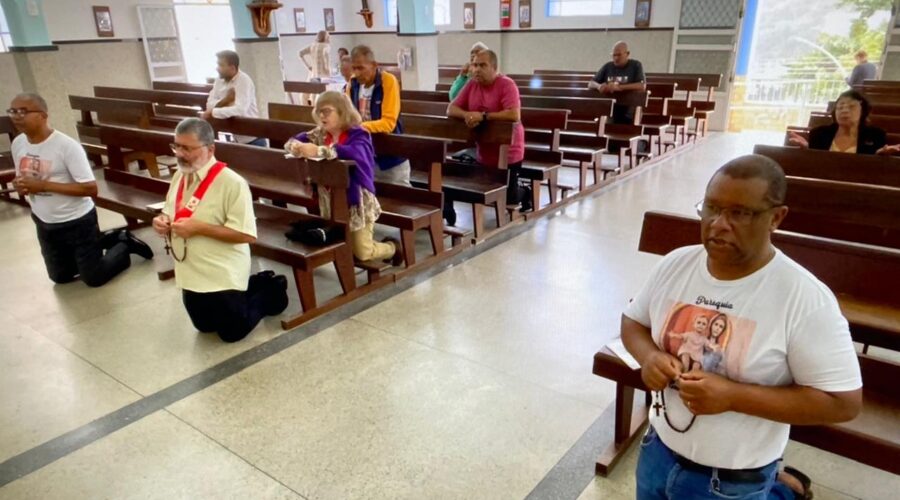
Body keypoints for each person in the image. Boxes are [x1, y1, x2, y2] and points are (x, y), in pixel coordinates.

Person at [622, 154, 862, 500]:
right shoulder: (677, 264)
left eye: (740, 213)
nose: (718, 224)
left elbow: (843, 403)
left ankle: (783, 490)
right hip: (658, 449)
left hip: (732, 479)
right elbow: (633, 322)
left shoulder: (803, 298)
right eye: (711, 208)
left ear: (776, 218)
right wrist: (648, 357)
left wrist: (733, 396)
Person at [152, 118, 288, 343]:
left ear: (210, 148)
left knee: (231, 333)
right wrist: (161, 221)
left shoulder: (231, 183)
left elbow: (247, 235)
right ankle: (253, 285)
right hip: (191, 270)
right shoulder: (179, 176)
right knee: (204, 327)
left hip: (221, 270)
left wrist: (200, 228)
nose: (180, 154)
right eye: (176, 146)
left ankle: (271, 288)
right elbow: (169, 210)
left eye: (187, 148)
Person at [9, 93, 152, 287]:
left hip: (77, 221)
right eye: (13, 111)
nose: (16, 116)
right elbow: (24, 177)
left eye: (23, 112)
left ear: (43, 115)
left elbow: (90, 188)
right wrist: (21, 185)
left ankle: (123, 243)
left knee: (94, 278)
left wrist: (43, 186)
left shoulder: (66, 146)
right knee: (61, 277)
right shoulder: (18, 143)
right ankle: (99, 243)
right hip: (45, 222)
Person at [285, 91, 403, 266]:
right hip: (332, 198)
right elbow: (293, 141)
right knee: (344, 242)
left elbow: (356, 153)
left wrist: (319, 151)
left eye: (327, 111)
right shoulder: (320, 134)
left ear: (342, 111)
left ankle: (392, 247)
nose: (322, 116)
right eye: (319, 112)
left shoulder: (358, 134)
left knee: (362, 252)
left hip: (357, 200)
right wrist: (296, 147)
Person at [447, 49, 530, 214]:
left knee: (509, 199)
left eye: (482, 65)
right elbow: (451, 109)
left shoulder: (507, 84)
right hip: (484, 151)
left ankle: (526, 192)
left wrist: (483, 116)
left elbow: (514, 114)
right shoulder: (472, 84)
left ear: (494, 67)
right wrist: (467, 115)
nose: (476, 69)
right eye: (475, 65)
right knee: (486, 192)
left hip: (509, 151)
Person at [346, 45, 411, 186]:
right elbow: (347, 116)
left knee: (399, 201)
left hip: (391, 156)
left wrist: (359, 127)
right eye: (354, 68)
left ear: (374, 65)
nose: (356, 73)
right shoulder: (353, 84)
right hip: (365, 156)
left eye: (361, 68)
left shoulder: (388, 81)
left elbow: (388, 123)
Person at [788, 90, 900, 155]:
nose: (845, 110)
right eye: (840, 107)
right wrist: (809, 150)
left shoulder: (876, 135)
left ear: (863, 111)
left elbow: (875, 171)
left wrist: (878, 157)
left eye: (851, 106)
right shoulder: (819, 133)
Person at [201, 50, 264, 147]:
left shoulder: (244, 80)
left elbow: (240, 110)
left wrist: (213, 112)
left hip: (252, 137)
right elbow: (209, 104)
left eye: (221, 65)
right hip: (235, 136)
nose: (217, 68)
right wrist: (226, 100)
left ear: (232, 67)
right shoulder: (219, 80)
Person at [588, 41, 647, 124]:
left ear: (627, 54)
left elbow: (642, 86)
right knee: (602, 120)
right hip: (610, 108)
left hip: (629, 108)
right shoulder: (608, 66)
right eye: (614, 55)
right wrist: (599, 86)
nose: (616, 58)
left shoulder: (636, 65)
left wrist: (619, 87)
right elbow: (591, 83)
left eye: (619, 55)